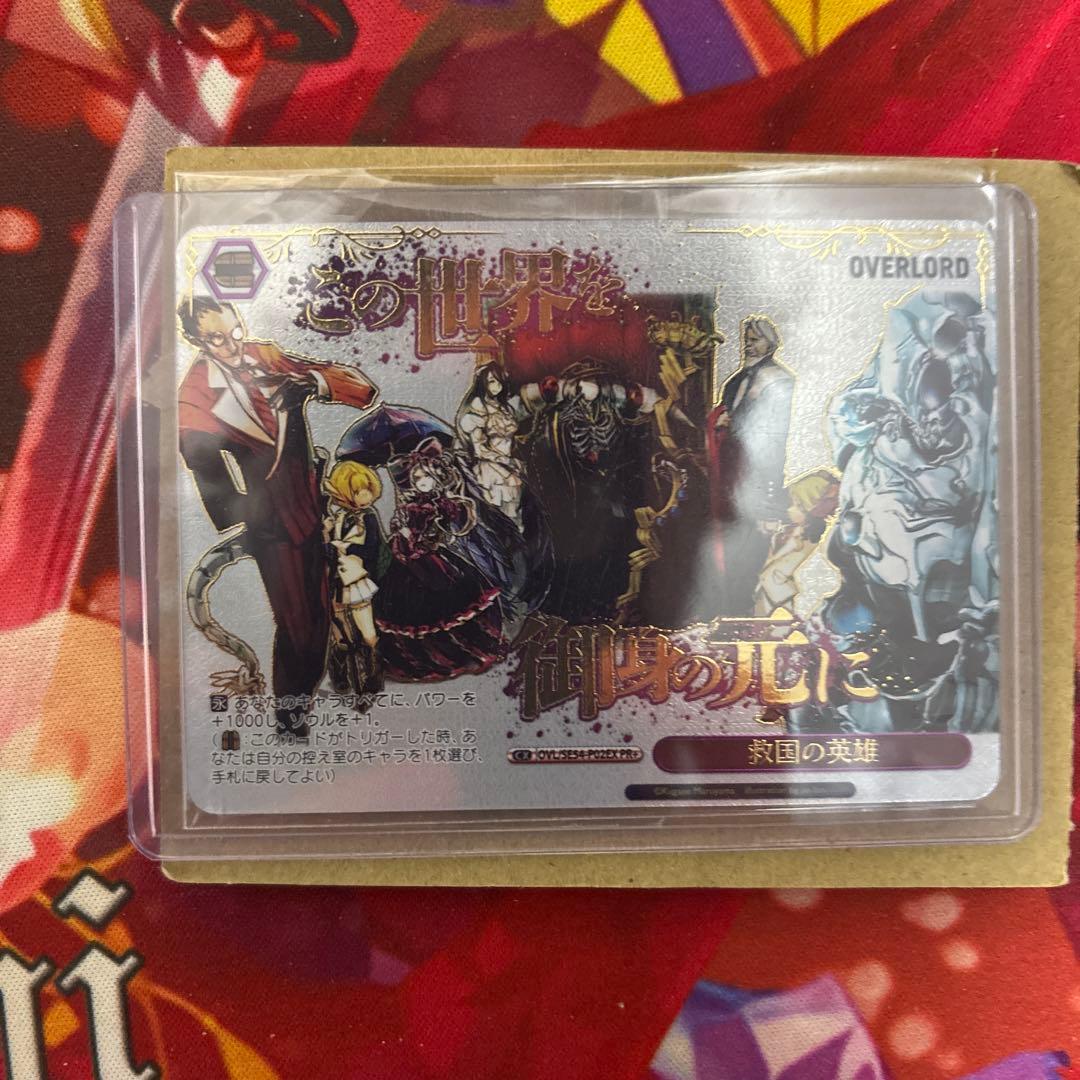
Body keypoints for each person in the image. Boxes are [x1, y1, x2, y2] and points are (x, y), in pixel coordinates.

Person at [177, 295, 376, 734]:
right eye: (217, 339)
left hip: (315, 509)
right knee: (299, 627)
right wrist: (244, 518)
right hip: (273, 526)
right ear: (195, 340)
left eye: (235, 331)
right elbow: (199, 459)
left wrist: (312, 383)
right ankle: (290, 719)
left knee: (322, 621)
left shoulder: (264, 355)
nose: (233, 345)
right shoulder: (195, 393)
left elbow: (362, 390)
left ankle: (298, 712)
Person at [708, 316, 794, 616]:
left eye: (755, 339)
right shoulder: (737, 379)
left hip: (757, 476)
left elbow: (772, 434)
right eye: (746, 339)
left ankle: (742, 611)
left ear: (770, 343)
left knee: (750, 551)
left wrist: (732, 424)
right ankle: (727, 608)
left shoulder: (778, 380)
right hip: (729, 474)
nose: (748, 345)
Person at [323, 460, 391, 700]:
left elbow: (372, 549)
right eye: (358, 491)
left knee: (367, 632)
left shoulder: (369, 517)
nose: (365, 495)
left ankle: (373, 675)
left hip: (357, 579)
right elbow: (325, 549)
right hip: (335, 581)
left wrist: (345, 547)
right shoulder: (338, 517)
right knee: (340, 634)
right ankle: (339, 673)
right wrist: (327, 534)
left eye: (367, 489)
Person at [753, 470, 839, 616]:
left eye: (798, 504)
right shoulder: (794, 531)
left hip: (794, 608)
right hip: (774, 606)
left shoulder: (813, 539)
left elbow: (773, 577)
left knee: (773, 578)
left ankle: (792, 615)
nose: (791, 509)